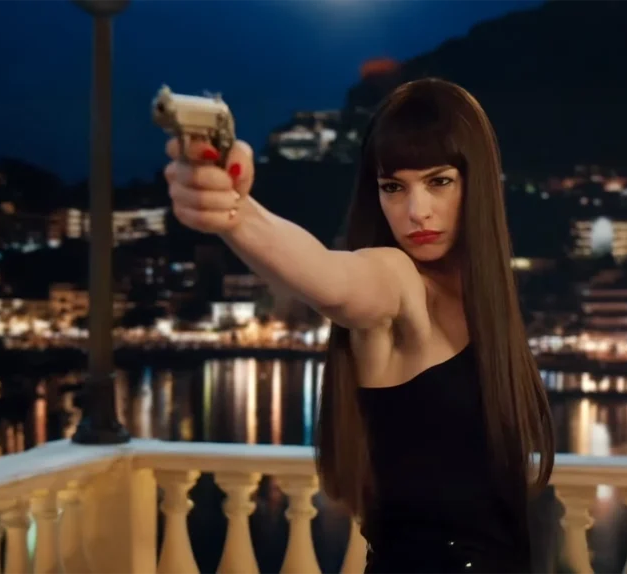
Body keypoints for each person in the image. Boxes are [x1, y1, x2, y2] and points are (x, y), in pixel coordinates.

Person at [165, 78, 555, 573]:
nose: (416, 211)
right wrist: (236, 212)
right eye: (393, 187)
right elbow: (331, 278)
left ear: (476, 183)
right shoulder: (397, 282)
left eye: (439, 182)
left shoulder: (487, 303)